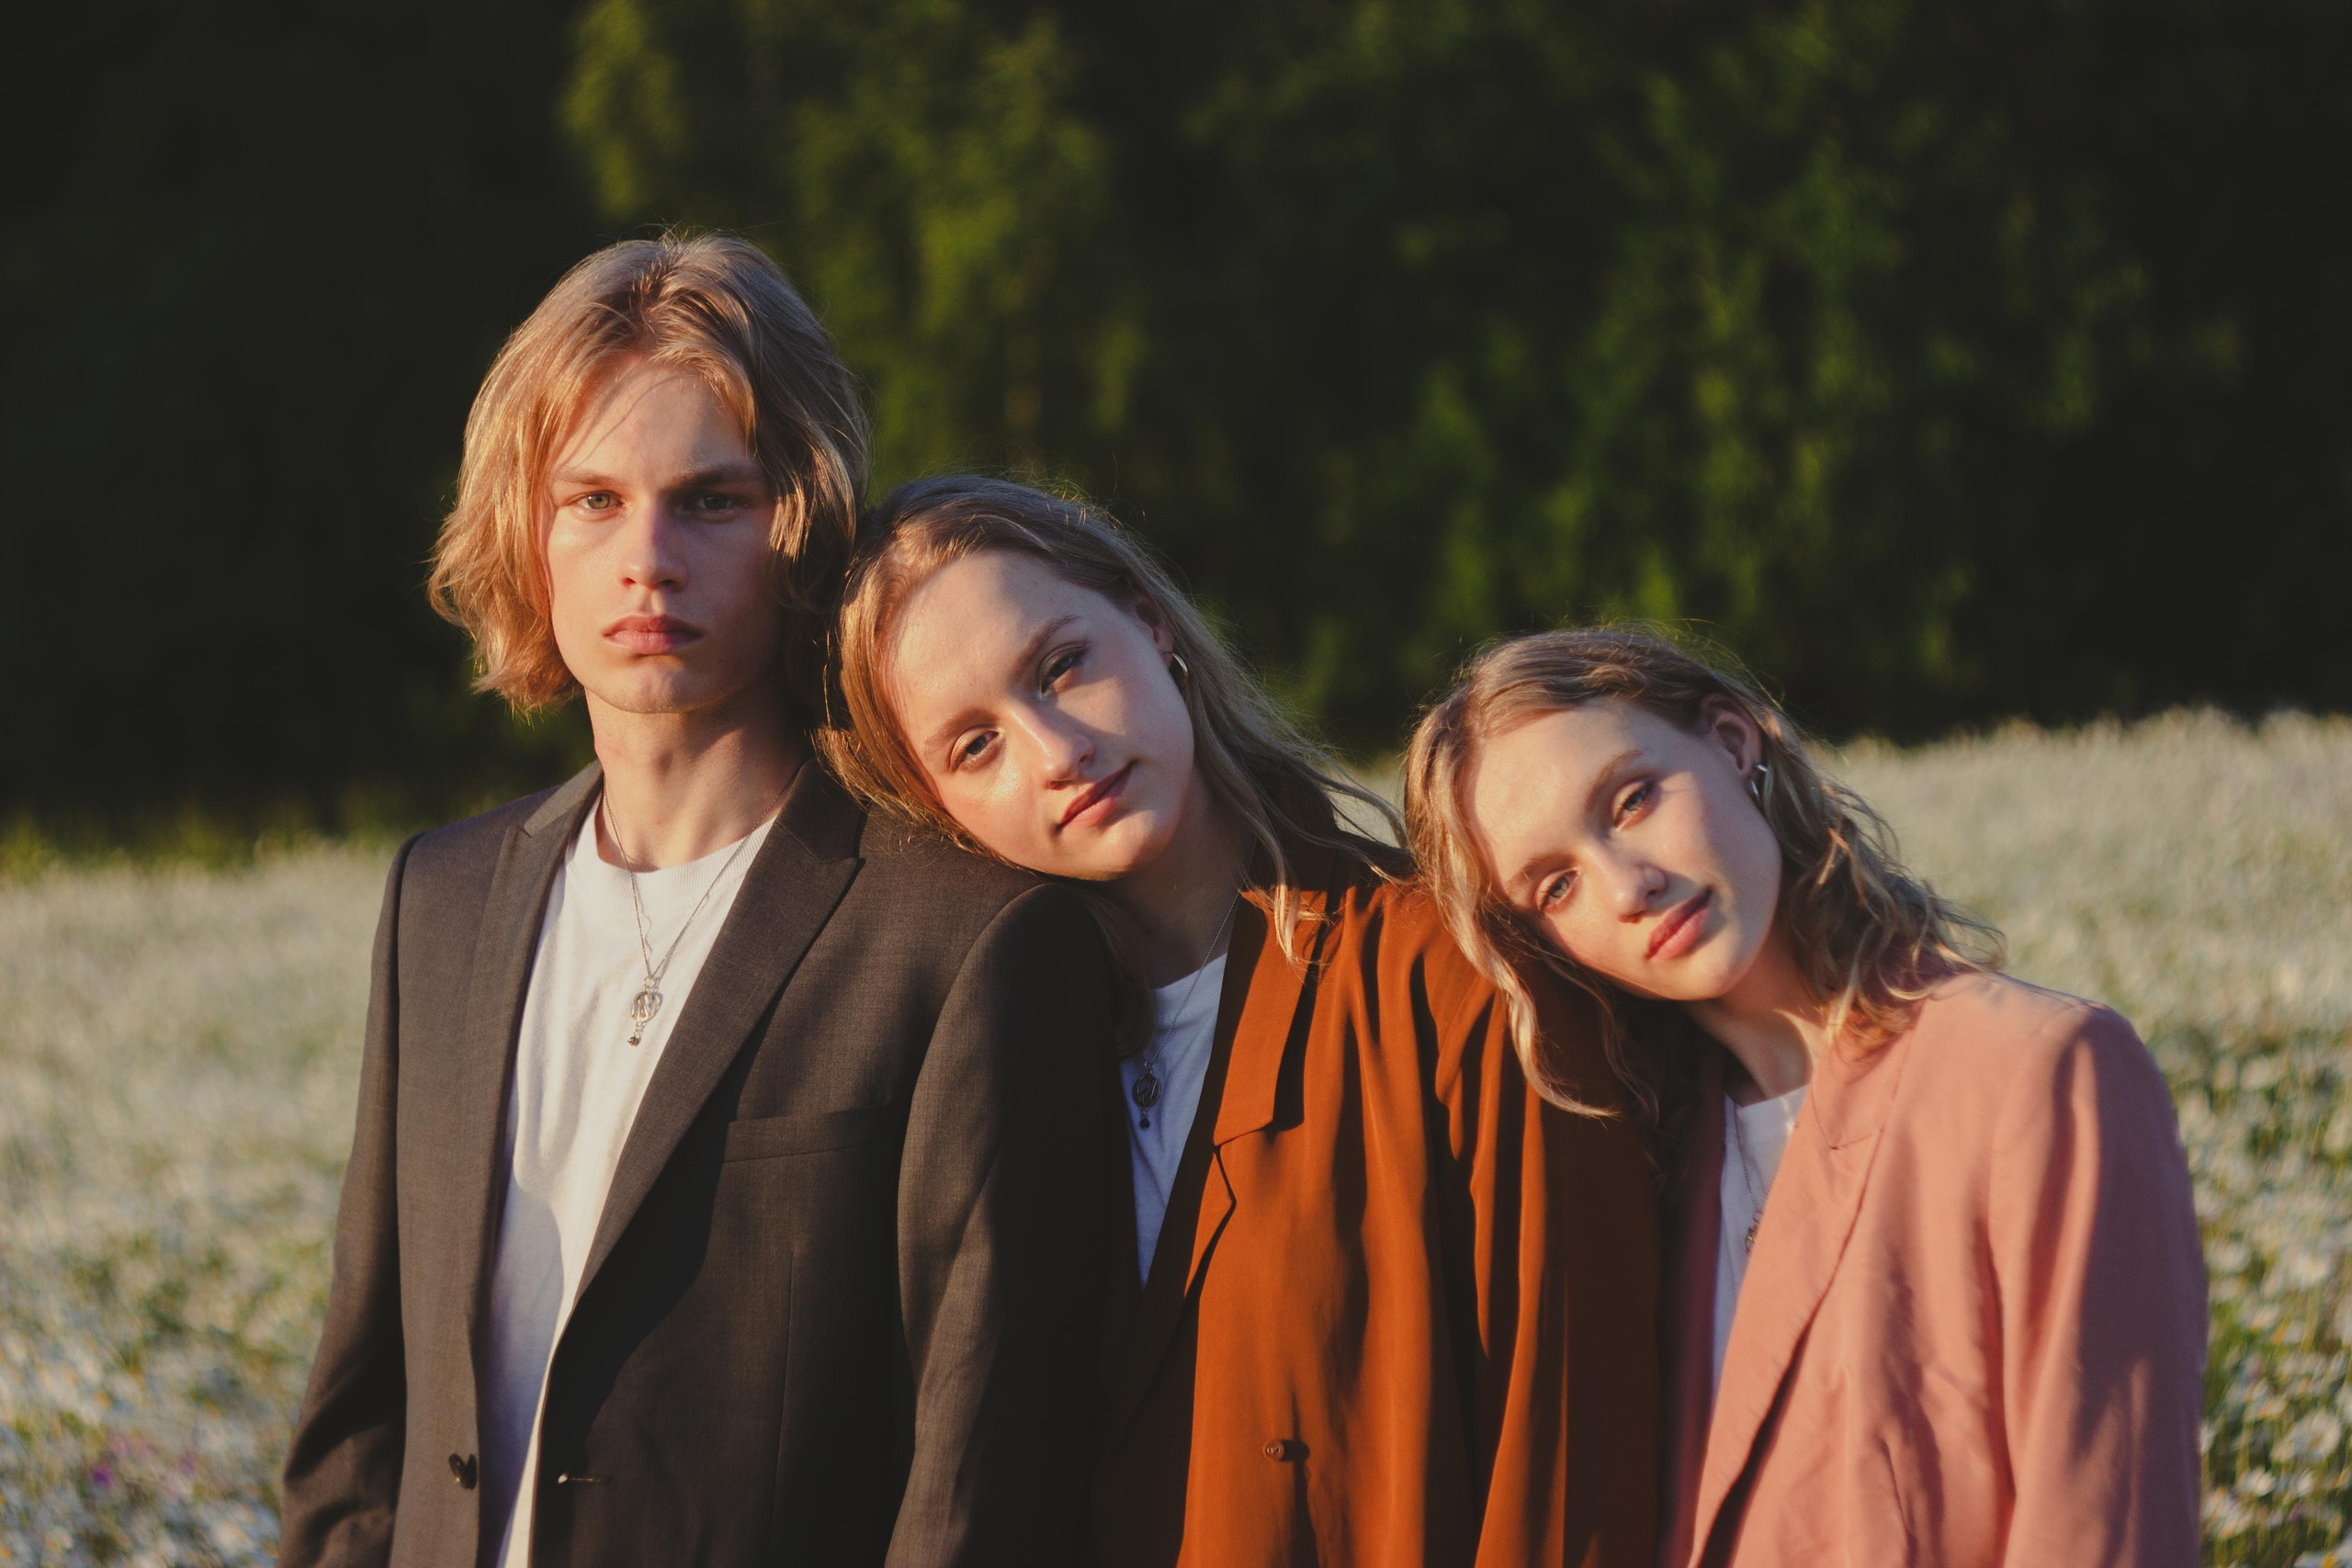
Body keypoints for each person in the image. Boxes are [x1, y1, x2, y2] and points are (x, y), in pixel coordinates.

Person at [277, 236, 1116, 1568]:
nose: (647, 558)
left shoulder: (964, 934)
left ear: (800, 518)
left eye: (710, 501)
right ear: (526, 527)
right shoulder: (437, 899)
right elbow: (361, 1418)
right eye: (592, 499)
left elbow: (982, 1476)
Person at [820, 477, 1661, 1568]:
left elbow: (1574, 1472)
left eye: (1061, 665)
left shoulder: (1458, 980)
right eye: (974, 746)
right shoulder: (989, 1081)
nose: (1053, 751)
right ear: (941, 812)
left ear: (1150, 622)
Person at [1401, 625, 2207, 1568]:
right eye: (1556, 885)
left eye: (1631, 799)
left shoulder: (2036, 1070)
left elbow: (2101, 1531)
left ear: (1733, 741)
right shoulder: (1650, 1164)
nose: (1628, 886)